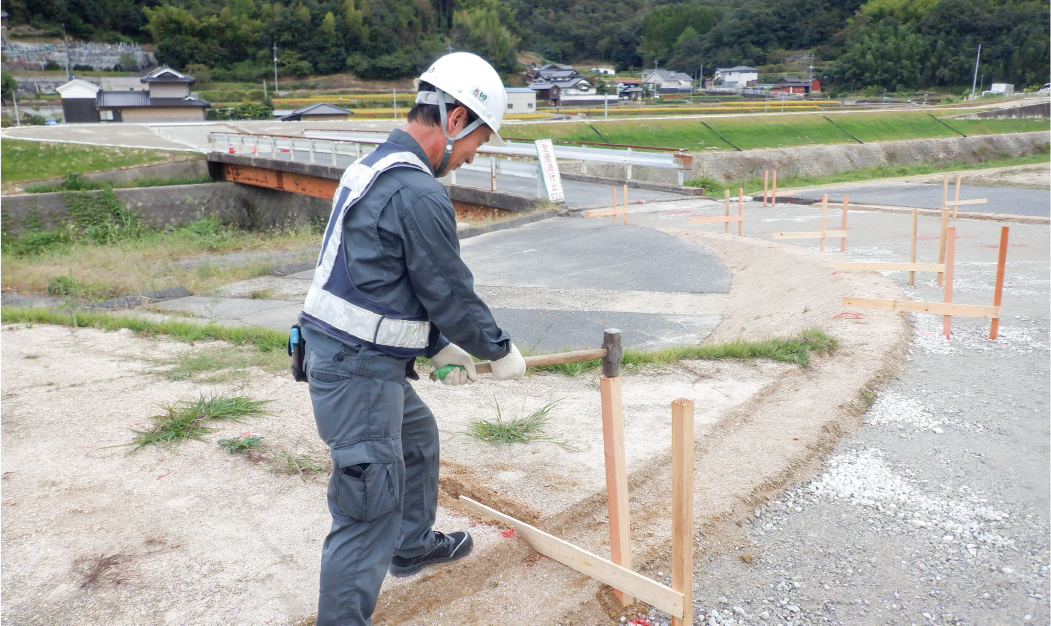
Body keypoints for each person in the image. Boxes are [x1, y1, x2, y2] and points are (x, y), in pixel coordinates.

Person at [298, 52, 527, 626]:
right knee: (367, 510)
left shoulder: (373, 167)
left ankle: (412, 544)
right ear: (456, 119)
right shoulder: (418, 192)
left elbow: (381, 279)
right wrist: (496, 349)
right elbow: (448, 290)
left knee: (417, 437)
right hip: (357, 371)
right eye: (478, 143)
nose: (472, 157)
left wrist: (434, 346)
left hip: (353, 354)